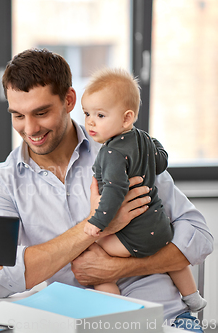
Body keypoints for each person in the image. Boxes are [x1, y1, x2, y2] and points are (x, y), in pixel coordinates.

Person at [0, 48, 213, 331]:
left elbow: (200, 237)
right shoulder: (2, 182)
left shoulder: (123, 148)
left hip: (162, 320)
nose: (30, 129)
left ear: (69, 100)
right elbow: (0, 278)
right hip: (77, 325)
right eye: (18, 115)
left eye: (41, 113)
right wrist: (95, 225)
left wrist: (121, 268)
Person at [81, 67, 207, 312]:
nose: (90, 122)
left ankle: (116, 311)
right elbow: (161, 161)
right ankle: (192, 297)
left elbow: (115, 191)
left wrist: (97, 222)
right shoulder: (143, 139)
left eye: (100, 115)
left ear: (127, 117)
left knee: (95, 255)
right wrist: (153, 144)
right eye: (87, 113)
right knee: (174, 260)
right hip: (159, 228)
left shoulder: (111, 152)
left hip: (135, 238)